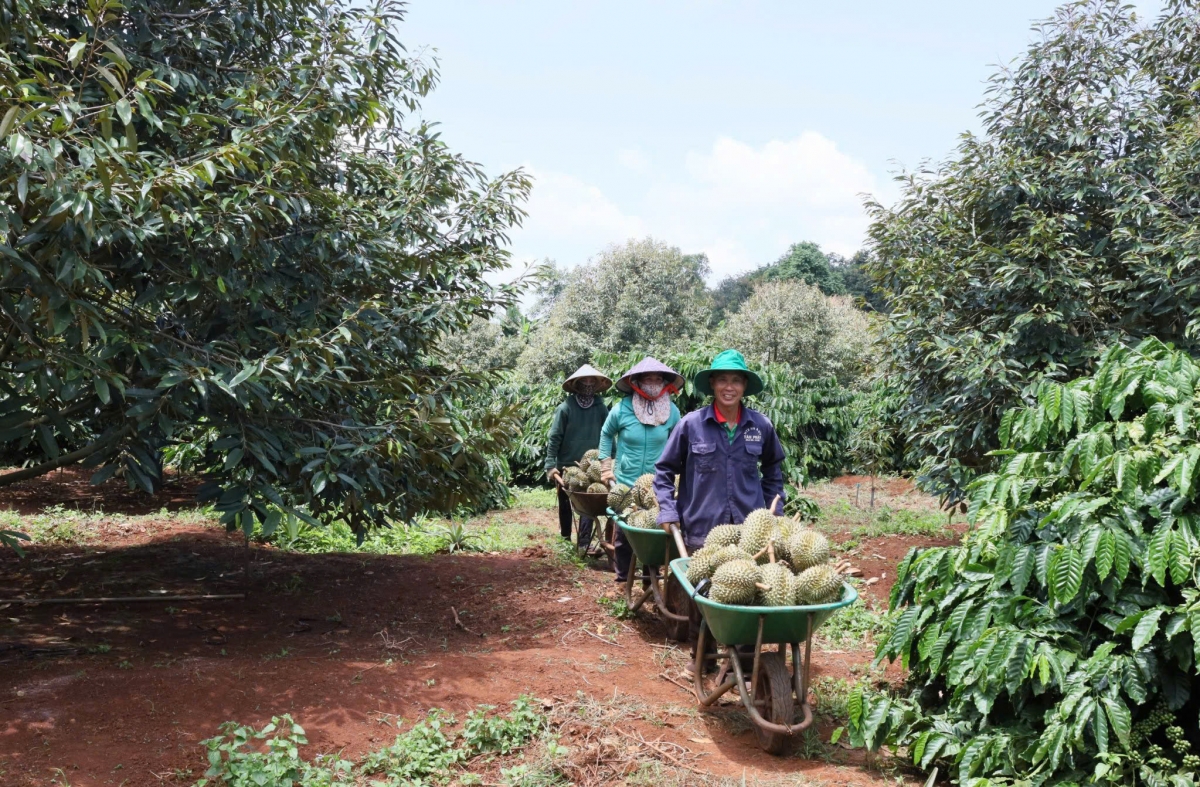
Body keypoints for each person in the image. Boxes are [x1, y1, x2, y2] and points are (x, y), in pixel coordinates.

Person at [653, 349, 786, 672]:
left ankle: (742, 662)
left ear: (744, 386)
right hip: (701, 525)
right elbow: (664, 471)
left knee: (746, 594)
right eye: (723, 380)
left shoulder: (760, 426)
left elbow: (774, 472)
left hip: (748, 529)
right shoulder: (691, 425)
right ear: (712, 383)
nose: (730, 387)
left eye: (736, 381)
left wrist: (774, 513)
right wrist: (668, 511)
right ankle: (702, 659)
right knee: (702, 595)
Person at [597, 357, 683, 581]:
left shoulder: (671, 411)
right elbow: (606, 434)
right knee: (625, 530)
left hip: (657, 482)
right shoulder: (622, 408)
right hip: (626, 478)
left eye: (658, 378)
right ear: (638, 382)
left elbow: (680, 442)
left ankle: (649, 577)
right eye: (648, 378)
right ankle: (623, 576)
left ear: (665, 382)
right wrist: (606, 466)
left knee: (654, 530)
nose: (653, 382)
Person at [545, 364, 611, 548]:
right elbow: (555, 436)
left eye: (592, 381)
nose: (588, 384)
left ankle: (583, 542)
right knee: (566, 503)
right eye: (584, 381)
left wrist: (611, 458)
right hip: (567, 464)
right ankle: (565, 537)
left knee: (587, 503)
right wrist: (551, 464)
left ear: (597, 385)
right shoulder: (565, 408)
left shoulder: (600, 407)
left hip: (592, 465)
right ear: (576, 384)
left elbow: (608, 433)